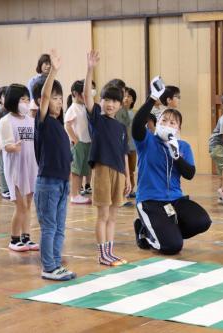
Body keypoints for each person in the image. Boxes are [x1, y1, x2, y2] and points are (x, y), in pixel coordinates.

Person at [132, 76, 212, 255]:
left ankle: (163, 231)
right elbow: (137, 125)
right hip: (150, 200)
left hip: (175, 199)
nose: (167, 124)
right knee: (172, 247)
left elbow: (189, 174)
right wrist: (152, 98)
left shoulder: (183, 146)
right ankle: (145, 231)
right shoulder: (147, 141)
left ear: (178, 129)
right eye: (163, 121)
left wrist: (177, 156)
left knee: (202, 221)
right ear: (157, 124)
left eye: (172, 123)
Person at [85, 51, 131, 266]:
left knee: (113, 216)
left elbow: (124, 153)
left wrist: (129, 178)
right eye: (106, 100)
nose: (110, 104)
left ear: (121, 104)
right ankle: (102, 254)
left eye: (114, 101)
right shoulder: (97, 119)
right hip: (102, 170)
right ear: (100, 101)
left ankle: (110, 252)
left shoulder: (121, 127)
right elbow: (87, 97)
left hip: (119, 172)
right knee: (102, 215)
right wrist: (90, 69)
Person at [33, 50, 76, 281]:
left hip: (62, 183)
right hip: (47, 183)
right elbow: (45, 94)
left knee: (60, 227)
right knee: (49, 228)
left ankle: (56, 263)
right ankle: (48, 267)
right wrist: (54, 72)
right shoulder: (42, 122)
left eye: (61, 98)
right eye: (54, 98)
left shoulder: (59, 125)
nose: (57, 102)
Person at [0, 84, 39, 252]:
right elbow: (4, 145)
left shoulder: (31, 120)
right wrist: (13, 147)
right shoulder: (5, 121)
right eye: (23, 99)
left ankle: (26, 237)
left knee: (28, 204)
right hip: (15, 167)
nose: (26, 103)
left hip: (31, 166)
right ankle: (14, 239)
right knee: (20, 205)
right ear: (14, 100)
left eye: (28, 100)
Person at [65, 80, 92, 204]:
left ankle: (78, 193)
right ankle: (74, 194)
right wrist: (74, 139)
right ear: (75, 93)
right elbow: (67, 125)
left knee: (82, 169)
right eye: (83, 94)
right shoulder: (73, 108)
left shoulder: (84, 107)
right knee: (76, 170)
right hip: (79, 143)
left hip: (87, 142)